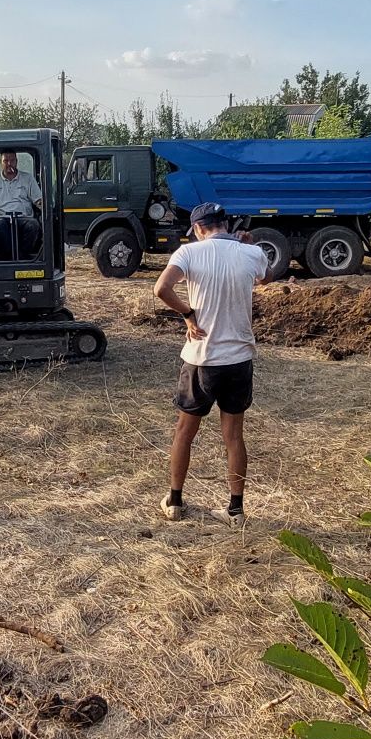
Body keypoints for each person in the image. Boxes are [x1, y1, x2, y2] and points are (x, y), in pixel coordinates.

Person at [152, 202, 273, 522]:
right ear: (225, 225)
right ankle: (235, 510)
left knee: (184, 431)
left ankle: (175, 502)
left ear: (200, 229)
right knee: (234, 436)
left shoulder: (189, 254)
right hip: (239, 359)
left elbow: (162, 288)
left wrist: (188, 313)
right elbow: (267, 278)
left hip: (201, 357)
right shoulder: (251, 253)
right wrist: (249, 245)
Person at [0, 151, 42, 259]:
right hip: (2, 217)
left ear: (16, 162)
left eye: (12, 160)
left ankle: (23, 257)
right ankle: (8, 258)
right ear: (1, 163)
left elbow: (38, 199)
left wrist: (42, 204)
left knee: (33, 225)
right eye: (6, 161)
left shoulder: (28, 179)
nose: (9, 164)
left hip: (24, 217)